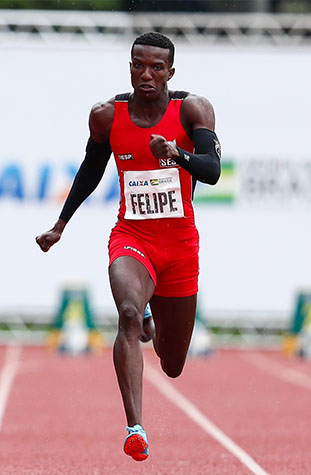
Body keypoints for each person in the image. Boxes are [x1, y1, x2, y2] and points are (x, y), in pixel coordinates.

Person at [36, 31, 221, 461]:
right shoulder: (106, 116)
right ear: (130, 66)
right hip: (132, 239)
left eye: (157, 67)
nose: (147, 74)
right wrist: (60, 224)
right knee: (126, 314)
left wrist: (176, 154)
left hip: (178, 249)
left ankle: (154, 312)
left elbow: (211, 170)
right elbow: (89, 170)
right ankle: (134, 426)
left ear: (171, 72)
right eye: (139, 65)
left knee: (172, 364)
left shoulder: (193, 109)